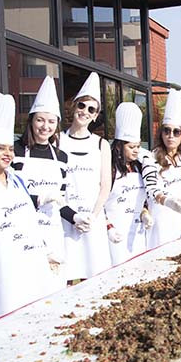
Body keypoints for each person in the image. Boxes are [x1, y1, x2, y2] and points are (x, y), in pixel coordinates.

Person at [0, 93, 62, 320]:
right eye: (0, 149)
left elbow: (29, 221)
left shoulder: (16, 180)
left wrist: (46, 251)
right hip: (2, 271)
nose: (8, 154)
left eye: (10, 149)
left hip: (30, 264)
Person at [11, 76, 72, 279]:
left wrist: (76, 217)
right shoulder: (15, 151)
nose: (45, 126)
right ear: (31, 121)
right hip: (24, 232)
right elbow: (10, 196)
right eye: (40, 120)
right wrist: (38, 198)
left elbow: (61, 201)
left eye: (51, 121)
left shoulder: (62, 157)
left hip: (53, 233)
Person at [62, 72, 111, 280]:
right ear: (74, 106)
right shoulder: (58, 141)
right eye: (82, 106)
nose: (85, 112)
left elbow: (105, 185)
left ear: (96, 115)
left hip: (93, 219)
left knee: (93, 276)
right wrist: (72, 216)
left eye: (91, 109)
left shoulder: (101, 144)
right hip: (65, 219)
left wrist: (92, 216)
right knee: (66, 277)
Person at [143, 88, 181, 247]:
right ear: (161, 133)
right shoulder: (150, 158)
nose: (171, 136)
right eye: (167, 131)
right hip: (161, 220)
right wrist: (167, 201)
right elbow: (150, 188)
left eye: (176, 132)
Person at [105, 102, 151, 265]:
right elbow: (101, 202)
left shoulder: (139, 167)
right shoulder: (109, 168)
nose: (136, 150)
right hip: (115, 233)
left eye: (138, 146)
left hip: (137, 232)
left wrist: (145, 214)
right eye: (131, 147)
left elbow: (143, 199)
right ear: (119, 146)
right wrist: (108, 227)